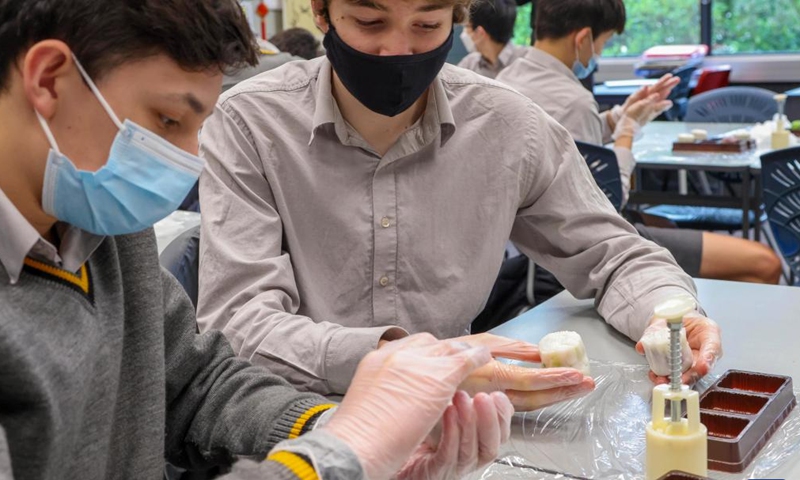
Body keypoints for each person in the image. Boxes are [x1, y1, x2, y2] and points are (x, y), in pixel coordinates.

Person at [0, 0, 516, 479]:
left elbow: (196, 386)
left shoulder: (104, 231)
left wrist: (330, 425)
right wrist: (345, 454)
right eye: (168, 120)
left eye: (197, 126)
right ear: (48, 78)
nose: (188, 157)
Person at [197, 0, 723, 409]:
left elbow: (615, 254)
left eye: (426, 26)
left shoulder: (509, 126)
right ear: (322, 13)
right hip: (296, 418)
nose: (397, 50)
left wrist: (665, 315)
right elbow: (239, 323)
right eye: (368, 22)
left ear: (457, 18)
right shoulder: (249, 123)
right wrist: (408, 361)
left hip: (460, 412)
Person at [495, 0, 782, 285]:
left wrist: (623, 114)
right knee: (764, 262)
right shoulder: (574, 99)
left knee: (665, 224)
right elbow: (607, 203)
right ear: (583, 38)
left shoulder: (508, 80)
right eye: (604, 43)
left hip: (533, 249)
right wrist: (626, 134)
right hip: (588, 252)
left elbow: (566, 137)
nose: (600, 53)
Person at [457, 0, 525, 79]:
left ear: (480, 32)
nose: (464, 32)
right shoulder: (468, 64)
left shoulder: (526, 62)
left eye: (467, 26)